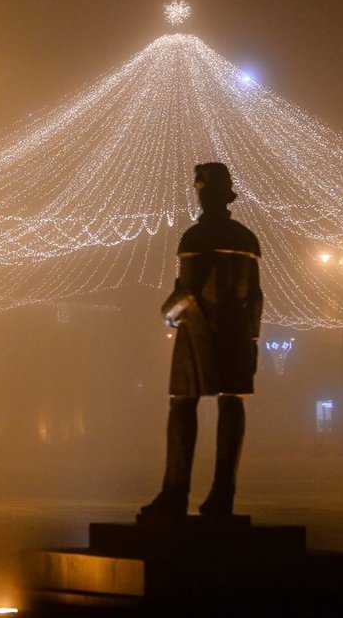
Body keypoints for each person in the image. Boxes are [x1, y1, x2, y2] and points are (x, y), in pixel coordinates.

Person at [141, 162, 263, 518]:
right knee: (232, 403)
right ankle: (222, 496)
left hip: (198, 333)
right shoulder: (246, 239)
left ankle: (175, 493)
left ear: (203, 192)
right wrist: (251, 337)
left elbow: (187, 291)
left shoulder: (195, 239)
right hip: (238, 333)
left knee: (182, 404)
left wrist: (167, 313)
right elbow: (256, 295)